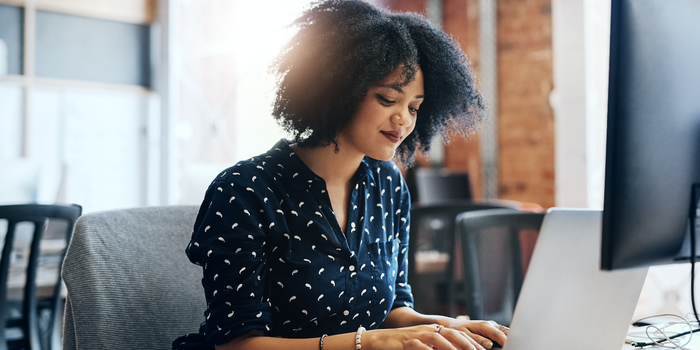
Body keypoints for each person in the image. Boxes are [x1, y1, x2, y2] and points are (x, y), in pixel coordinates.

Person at [173, 1, 508, 349]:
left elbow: (393, 308)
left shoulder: (390, 186)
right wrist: (367, 343)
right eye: (387, 99)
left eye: (413, 107)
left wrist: (443, 327)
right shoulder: (243, 191)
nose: (404, 120)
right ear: (338, 89)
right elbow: (236, 345)